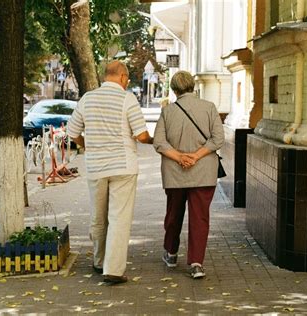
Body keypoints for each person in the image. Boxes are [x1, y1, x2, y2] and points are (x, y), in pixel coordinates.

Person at [67, 61, 153, 284]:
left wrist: (87, 144)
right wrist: (153, 140)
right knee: (118, 218)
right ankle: (113, 270)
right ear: (123, 77)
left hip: (96, 166)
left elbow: (72, 132)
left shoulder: (87, 98)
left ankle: (98, 262)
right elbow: (142, 135)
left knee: (98, 216)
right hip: (123, 166)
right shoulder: (127, 99)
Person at [153, 71, 224, 279]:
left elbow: (159, 142)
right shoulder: (209, 108)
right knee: (200, 217)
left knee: (174, 215)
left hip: (175, 173)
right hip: (203, 172)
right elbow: (218, 139)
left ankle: (172, 253)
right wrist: (195, 156)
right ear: (193, 86)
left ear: (174, 90)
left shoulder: (167, 112)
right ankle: (196, 263)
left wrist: (179, 158)